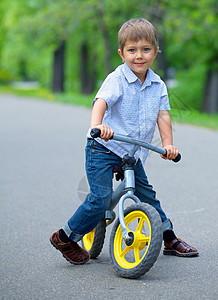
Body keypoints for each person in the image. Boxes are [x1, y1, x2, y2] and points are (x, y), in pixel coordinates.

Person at [50, 18, 198, 265]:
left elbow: (163, 115)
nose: (139, 56)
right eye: (132, 50)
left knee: (148, 197)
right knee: (99, 198)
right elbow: (101, 102)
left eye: (145, 50)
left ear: (155, 52)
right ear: (121, 53)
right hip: (104, 147)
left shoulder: (157, 84)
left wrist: (168, 144)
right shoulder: (117, 79)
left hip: (132, 153)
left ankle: (169, 238)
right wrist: (98, 126)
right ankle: (66, 237)